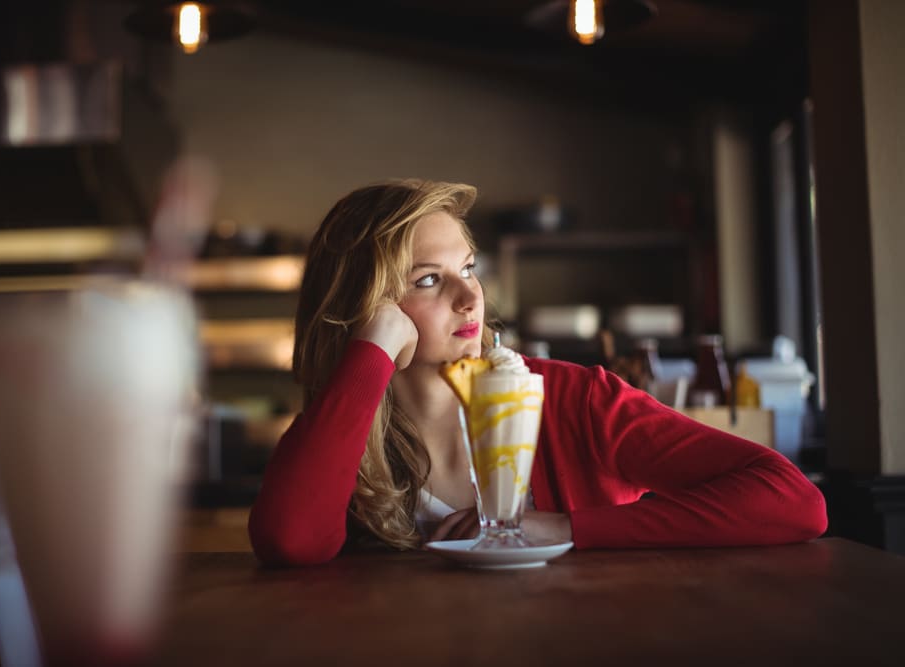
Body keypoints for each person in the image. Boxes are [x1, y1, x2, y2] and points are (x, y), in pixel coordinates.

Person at [248, 178, 827, 566]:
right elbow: (290, 540)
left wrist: (566, 527)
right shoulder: (342, 425)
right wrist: (370, 353)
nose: (469, 297)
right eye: (428, 279)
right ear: (364, 305)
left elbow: (794, 501)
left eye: (468, 268)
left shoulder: (576, 400)